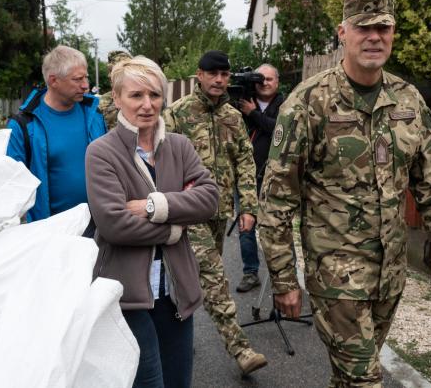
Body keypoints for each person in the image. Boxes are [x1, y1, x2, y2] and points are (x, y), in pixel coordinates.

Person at [257, 0, 431, 387]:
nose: (374, 37)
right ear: (343, 33)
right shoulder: (309, 103)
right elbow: (276, 199)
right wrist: (285, 280)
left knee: (350, 377)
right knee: (364, 380)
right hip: (336, 279)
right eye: (364, 27)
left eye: (383, 28)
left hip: (390, 278)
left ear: (393, 33)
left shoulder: (408, 101)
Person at [85, 56, 218, 388]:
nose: (147, 105)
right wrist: (176, 225)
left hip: (175, 294)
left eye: (155, 95)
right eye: (136, 95)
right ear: (116, 99)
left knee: (178, 382)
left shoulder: (179, 146)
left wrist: (152, 205)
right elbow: (113, 223)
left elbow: (209, 199)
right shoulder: (101, 152)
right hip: (127, 295)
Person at [164, 50, 267, 375]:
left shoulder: (233, 117)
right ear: (200, 75)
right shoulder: (178, 114)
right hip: (188, 213)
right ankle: (241, 349)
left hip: (219, 213)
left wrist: (248, 205)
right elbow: (159, 159)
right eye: (213, 74)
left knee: (191, 278)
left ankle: (173, 335)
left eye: (225, 74)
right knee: (214, 278)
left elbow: (245, 162)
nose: (220, 80)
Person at [6, 45, 106, 222]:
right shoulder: (23, 125)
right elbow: (11, 186)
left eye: (86, 77)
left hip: (98, 227)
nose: (85, 85)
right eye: (77, 79)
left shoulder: (94, 115)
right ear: (53, 81)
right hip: (51, 233)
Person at [234, 63, 285, 292]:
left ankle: (283, 274)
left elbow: (282, 132)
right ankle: (250, 272)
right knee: (246, 227)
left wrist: (253, 114)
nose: (265, 83)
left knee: (277, 227)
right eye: (260, 79)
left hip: (275, 177)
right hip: (245, 177)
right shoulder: (240, 100)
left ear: (277, 82)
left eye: (270, 79)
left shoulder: (286, 105)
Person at [98, 49, 133, 130]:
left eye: (117, 71)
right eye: (110, 71)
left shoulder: (143, 97)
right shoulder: (103, 101)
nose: (109, 75)